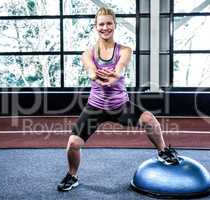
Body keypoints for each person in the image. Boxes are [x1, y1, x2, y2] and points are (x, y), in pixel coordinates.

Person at [57, 7, 178, 192]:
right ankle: (72, 176)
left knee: (149, 119)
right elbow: (90, 70)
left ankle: (162, 151)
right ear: (95, 27)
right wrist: (97, 76)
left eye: (109, 23)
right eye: (101, 24)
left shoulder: (125, 50)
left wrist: (114, 75)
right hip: (95, 107)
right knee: (73, 144)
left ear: (114, 25)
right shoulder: (88, 53)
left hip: (120, 105)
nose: (105, 27)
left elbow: (121, 66)